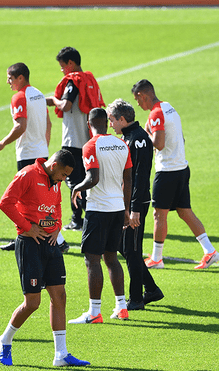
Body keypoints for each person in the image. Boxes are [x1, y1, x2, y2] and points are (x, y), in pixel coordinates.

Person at [0, 149, 89, 367]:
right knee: (32, 303)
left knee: (59, 296)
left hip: (50, 243)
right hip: (30, 245)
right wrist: (27, 228)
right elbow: (6, 202)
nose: (65, 180)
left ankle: (61, 354)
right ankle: (4, 339)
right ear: (54, 165)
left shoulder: (53, 181)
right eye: (64, 175)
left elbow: (56, 205)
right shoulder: (27, 174)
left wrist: (57, 227)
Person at [131, 79, 219, 270]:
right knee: (184, 211)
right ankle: (210, 251)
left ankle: (156, 258)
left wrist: (142, 134)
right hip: (181, 167)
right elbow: (182, 138)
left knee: (158, 214)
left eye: (137, 100)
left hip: (168, 172)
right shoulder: (168, 107)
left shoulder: (156, 113)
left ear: (142, 95)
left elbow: (159, 143)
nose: (138, 105)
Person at [0, 62, 69, 253]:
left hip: (28, 154)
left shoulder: (19, 97)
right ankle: (29, 235)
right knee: (46, 199)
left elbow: (21, 126)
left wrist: (3, 142)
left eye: (10, 78)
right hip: (42, 153)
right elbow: (48, 124)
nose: (8, 82)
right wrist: (44, 145)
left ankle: (56, 240)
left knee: (25, 199)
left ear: (20, 78)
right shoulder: (37, 93)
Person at [68, 108, 132, 323]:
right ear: (106, 122)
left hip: (98, 210)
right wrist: (126, 209)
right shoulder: (122, 144)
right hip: (116, 208)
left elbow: (93, 178)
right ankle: (121, 307)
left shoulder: (90, 146)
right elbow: (128, 179)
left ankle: (95, 312)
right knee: (112, 258)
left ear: (89, 123)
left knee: (91, 260)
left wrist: (77, 187)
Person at [106, 99, 164, 311]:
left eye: (112, 119)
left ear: (122, 119)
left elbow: (139, 177)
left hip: (135, 203)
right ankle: (151, 289)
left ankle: (137, 299)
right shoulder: (131, 137)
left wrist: (134, 209)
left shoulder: (136, 140)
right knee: (124, 246)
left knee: (130, 248)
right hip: (130, 202)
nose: (110, 123)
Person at [46, 46, 105, 231]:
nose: (62, 70)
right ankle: (88, 218)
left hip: (73, 140)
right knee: (87, 179)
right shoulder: (89, 79)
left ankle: (79, 220)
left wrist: (55, 100)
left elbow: (65, 105)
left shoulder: (72, 82)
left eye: (63, 66)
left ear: (70, 63)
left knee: (73, 181)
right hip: (88, 139)